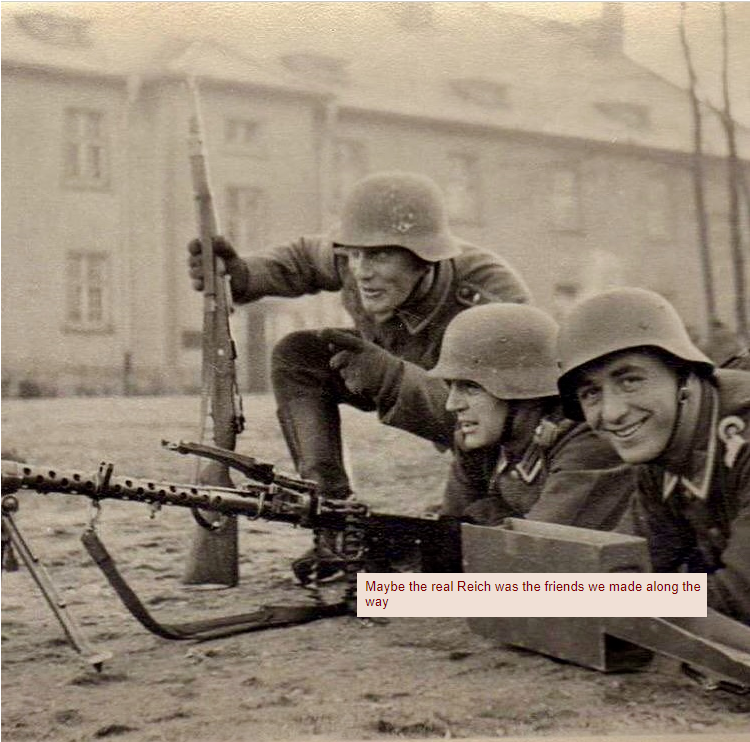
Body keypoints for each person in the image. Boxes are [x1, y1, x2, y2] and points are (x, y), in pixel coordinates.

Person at [187, 170, 531, 583]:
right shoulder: (351, 262)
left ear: (425, 259)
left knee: (461, 541)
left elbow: (505, 410)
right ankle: (332, 514)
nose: (361, 272)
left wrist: (389, 378)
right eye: (354, 255)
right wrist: (242, 275)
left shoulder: (489, 294)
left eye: (380, 256)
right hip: (387, 371)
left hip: (481, 425)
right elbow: (301, 260)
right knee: (299, 356)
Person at [556, 287, 750, 624]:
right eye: (591, 393)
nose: (612, 412)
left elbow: (737, 598)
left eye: (630, 381)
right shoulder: (663, 450)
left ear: (684, 375)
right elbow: (631, 567)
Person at [424, 303, 635, 529]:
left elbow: (541, 543)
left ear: (521, 390)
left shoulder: (586, 442)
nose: (452, 404)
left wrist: (486, 514)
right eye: (451, 386)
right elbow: (451, 530)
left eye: (471, 388)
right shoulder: (480, 440)